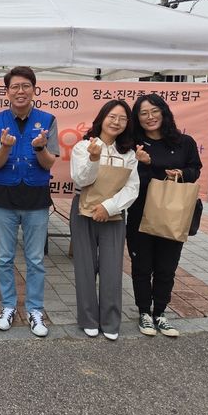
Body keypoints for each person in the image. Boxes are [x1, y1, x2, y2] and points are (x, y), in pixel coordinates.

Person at [0, 66, 59, 337]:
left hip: (36, 198)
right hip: (4, 198)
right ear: (7, 91)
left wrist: (40, 148)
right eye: (15, 86)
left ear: (34, 90)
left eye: (26, 86)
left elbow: (49, 163)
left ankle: (34, 309)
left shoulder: (48, 120)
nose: (20, 91)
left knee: (35, 259)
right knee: (5, 257)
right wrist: (5, 146)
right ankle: (8, 306)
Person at [127, 94, 202, 338]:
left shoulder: (184, 142)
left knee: (166, 267)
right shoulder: (133, 144)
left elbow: (195, 169)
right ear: (137, 118)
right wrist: (143, 164)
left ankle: (160, 312)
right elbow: (128, 180)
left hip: (173, 214)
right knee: (141, 267)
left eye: (154, 111)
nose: (150, 117)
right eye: (143, 113)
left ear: (163, 112)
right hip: (140, 213)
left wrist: (181, 173)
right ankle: (144, 313)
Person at [69, 100, 139, 341]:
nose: (116, 122)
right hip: (83, 210)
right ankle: (88, 319)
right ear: (102, 118)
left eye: (122, 118)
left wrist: (108, 208)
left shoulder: (128, 154)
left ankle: (110, 320)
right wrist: (93, 158)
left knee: (112, 268)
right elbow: (81, 180)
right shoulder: (84, 146)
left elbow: (132, 188)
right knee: (85, 267)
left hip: (114, 214)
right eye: (112, 116)